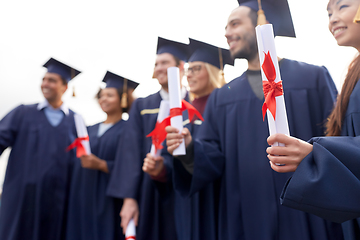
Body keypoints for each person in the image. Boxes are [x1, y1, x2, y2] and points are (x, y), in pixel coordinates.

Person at [165, 0, 344, 239]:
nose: (227, 33)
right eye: (226, 27)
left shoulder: (313, 78)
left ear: (263, 23)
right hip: (246, 216)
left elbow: (337, 140)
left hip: (310, 212)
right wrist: (188, 148)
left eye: (235, 24)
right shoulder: (223, 97)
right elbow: (211, 154)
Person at [267, 1, 360, 239]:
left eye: (343, 7)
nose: (333, 19)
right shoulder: (353, 73)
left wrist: (317, 155)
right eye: (329, 13)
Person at [143, 38, 234, 240]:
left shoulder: (228, 108)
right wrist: (162, 169)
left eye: (196, 68)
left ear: (212, 71)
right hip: (188, 201)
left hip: (221, 196)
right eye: (189, 69)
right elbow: (171, 159)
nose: (189, 74)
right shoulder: (182, 113)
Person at [106, 37, 188, 240]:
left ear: (181, 67)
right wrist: (129, 198)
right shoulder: (143, 106)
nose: (159, 68)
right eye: (156, 64)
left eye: (164, 63)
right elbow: (130, 152)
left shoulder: (195, 103)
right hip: (148, 190)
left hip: (185, 189)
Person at [0, 58, 81, 240]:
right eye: (44, 79)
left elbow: (82, 161)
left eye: (52, 80)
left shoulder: (76, 121)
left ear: (65, 87)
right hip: (22, 198)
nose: (45, 84)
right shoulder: (23, 113)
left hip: (58, 201)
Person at [66, 71, 139, 240]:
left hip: (110, 199)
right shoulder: (88, 130)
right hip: (82, 196)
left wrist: (102, 165)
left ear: (123, 99)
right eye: (101, 95)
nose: (103, 99)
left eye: (109, 95)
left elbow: (133, 165)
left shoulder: (130, 129)